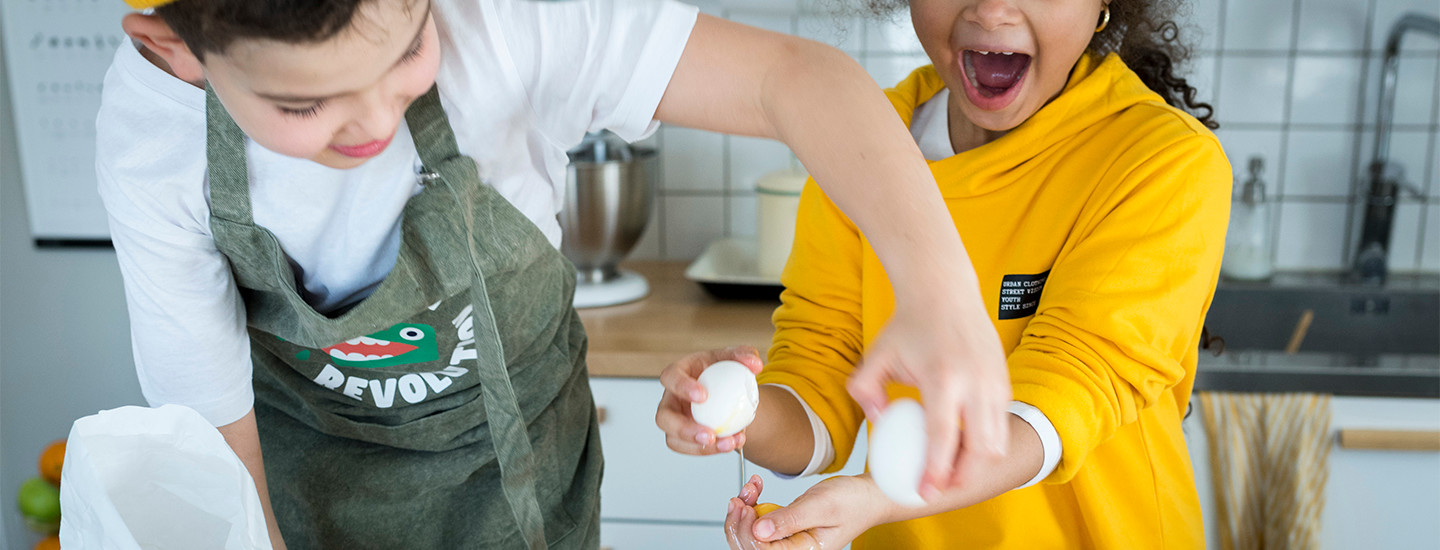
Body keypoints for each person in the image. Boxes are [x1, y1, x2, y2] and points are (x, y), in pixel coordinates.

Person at [98, 0, 1016, 547]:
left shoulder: (504, 18)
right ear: (169, 47)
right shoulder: (156, 137)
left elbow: (794, 77)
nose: (374, 120)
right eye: (303, 101)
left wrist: (941, 295)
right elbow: (203, 411)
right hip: (306, 493)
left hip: (524, 478)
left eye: (409, 48)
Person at [655, 0, 1229, 547]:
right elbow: (820, 377)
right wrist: (738, 411)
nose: (990, 9)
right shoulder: (859, 139)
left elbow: (1063, 398)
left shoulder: (1163, 161)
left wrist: (878, 498)